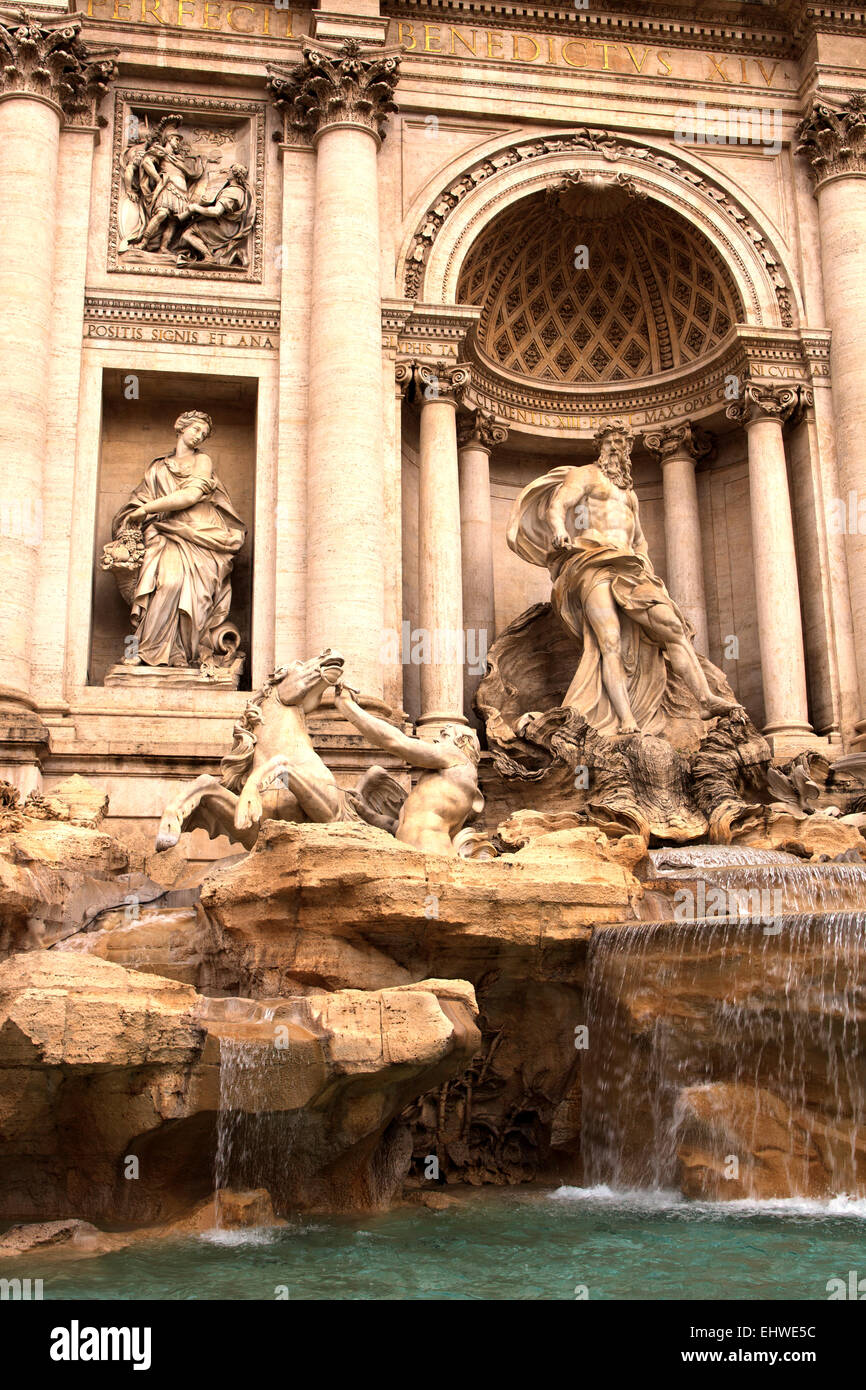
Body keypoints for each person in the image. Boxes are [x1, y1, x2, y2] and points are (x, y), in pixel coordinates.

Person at [507, 423, 738, 736]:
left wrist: (648, 571)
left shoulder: (629, 493)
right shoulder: (585, 475)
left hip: (631, 566)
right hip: (592, 562)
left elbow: (639, 538)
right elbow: (558, 504)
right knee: (610, 642)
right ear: (601, 445)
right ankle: (625, 718)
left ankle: (705, 698)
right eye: (612, 442)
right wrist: (560, 531)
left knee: (673, 627)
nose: (618, 449)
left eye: (624, 443)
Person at [111, 411, 246, 669]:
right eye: (196, 429)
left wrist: (146, 509)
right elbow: (137, 501)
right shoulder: (158, 468)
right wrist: (137, 513)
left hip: (202, 536)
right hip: (165, 532)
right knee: (169, 583)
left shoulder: (203, 461)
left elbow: (190, 496)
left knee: (197, 596)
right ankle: (149, 649)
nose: (199, 436)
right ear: (180, 427)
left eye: (204, 434)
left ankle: (181, 652)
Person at [333, 683, 483, 855]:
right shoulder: (441, 783)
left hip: (430, 854)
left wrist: (347, 706)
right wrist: (365, 812)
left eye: (444, 735)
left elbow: (397, 742)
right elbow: (396, 826)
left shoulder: (458, 758)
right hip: (413, 854)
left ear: (462, 741)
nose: (436, 741)